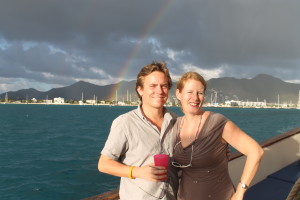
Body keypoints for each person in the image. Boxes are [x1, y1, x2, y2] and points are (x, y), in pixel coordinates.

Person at [172, 72, 264, 200]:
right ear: (178, 94)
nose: (195, 97)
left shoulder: (217, 123)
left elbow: (256, 151)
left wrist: (240, 192)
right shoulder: (175, 125)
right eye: (190, 92)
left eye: (200, 93)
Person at [98, 61, 178, 200]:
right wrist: (137, 172)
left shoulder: (176, 121)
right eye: (152, 86)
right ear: (140, 90)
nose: (159, 91)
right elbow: (103, 164)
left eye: (163, 86)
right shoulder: (125, 122)